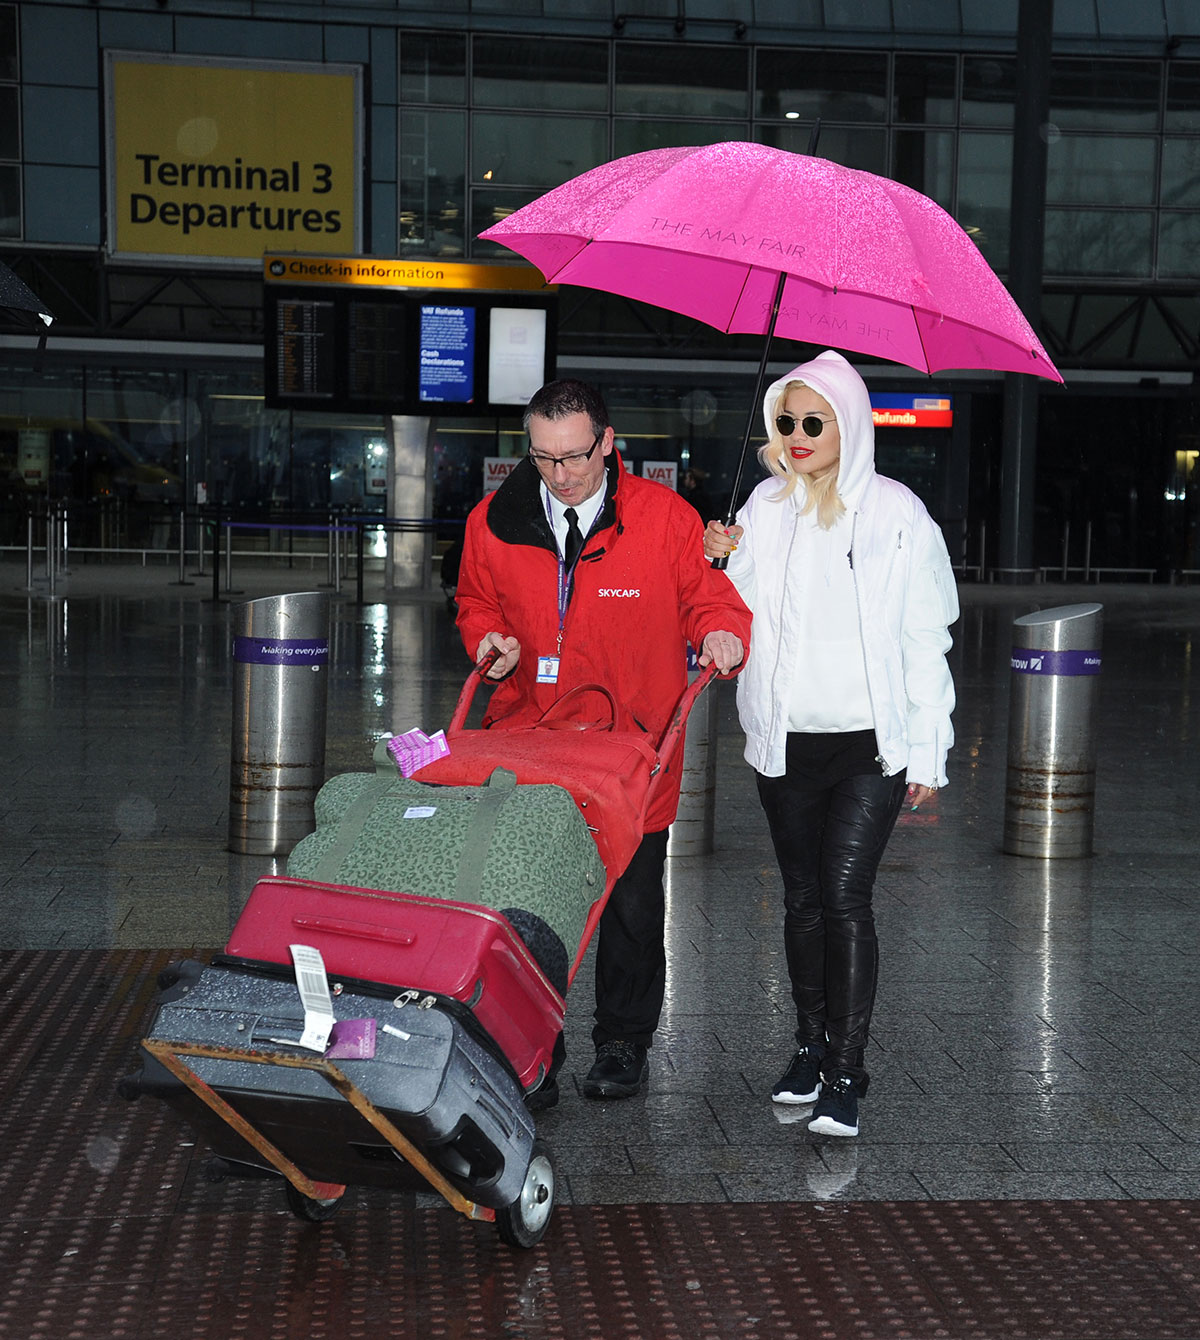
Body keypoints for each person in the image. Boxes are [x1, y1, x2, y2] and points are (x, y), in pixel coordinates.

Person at [456, 378, 751, 1107]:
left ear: (608, 443)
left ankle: (623, 1043)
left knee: (630, 904)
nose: (560, 475)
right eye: (543, 459)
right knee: (526, 903)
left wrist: (723, 632)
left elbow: (709, 597)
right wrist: (486, 638)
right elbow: (474, 599)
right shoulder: (493, 521)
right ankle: (532, 1048)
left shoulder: (664, 520)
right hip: (528, 743)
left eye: (575, 457)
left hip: (629, 752)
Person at [704, 349, 957, 1138]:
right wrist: (713, 566)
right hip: (784, 744)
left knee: (844, 899)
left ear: (850, 427)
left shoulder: (897, 514)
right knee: (804, 900)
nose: (799, 434)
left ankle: (847, 1070)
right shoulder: (762, 509)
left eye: (815, 421)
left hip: (871, 748)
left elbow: (927, 637)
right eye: (787, 421)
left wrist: (930, 749)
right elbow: (729, 621)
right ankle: (808, 1048)